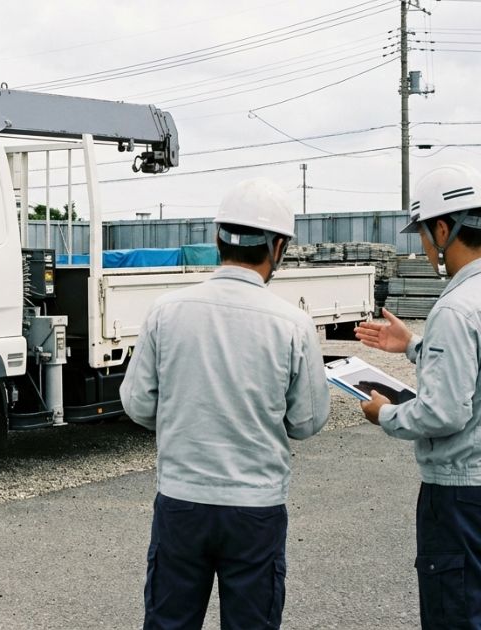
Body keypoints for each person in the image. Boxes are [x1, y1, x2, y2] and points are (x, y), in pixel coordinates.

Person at [121, 178, 330, 630]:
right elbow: (309, 420)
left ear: (218, 239)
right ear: (279, 246)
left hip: (182, 501)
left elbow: (138, 405)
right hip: (256, 508)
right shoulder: (294, 325)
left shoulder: (167, 310)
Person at [355, 163, 481, 630]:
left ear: (443, 229)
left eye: (423, 234)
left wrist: (386, 413)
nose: (423, 247)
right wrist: (414, 346)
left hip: (464, 498)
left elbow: (443, 412)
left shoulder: (457, 308)